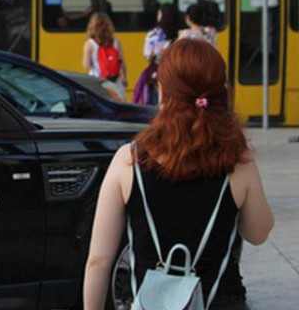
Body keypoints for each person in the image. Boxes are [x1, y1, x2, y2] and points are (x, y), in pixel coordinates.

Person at [83, 39, 274, 310]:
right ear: (221, 94)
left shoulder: (130, 160)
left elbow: (98, 260)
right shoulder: (237, 162)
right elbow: (258, 233)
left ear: (161, 93)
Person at [134, 3, 183, 105]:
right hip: (176, 75)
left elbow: (148, 55)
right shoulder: (182, 35)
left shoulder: (153, 34)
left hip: (158, 74)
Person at [82, 12, 127, 101]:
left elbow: (86, 65)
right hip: (115, 82)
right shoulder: (115, 42)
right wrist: (124, 78)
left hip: (97, 82)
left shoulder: (89, 44)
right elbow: (121, 62)